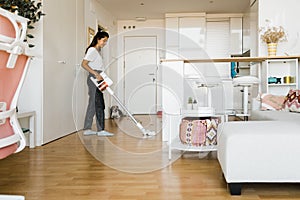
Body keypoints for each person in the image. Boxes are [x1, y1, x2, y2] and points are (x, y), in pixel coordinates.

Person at [81, 31, 113, 136]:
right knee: (98, 103)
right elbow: (84, 64)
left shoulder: (97, 51)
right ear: (98, 39)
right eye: (104, 40)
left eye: (106, 41)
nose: (105, 43)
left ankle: (87, 128)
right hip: (94, 78)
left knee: (94, 103)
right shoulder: (92, 50)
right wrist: (95, 74)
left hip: (98, 77)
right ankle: (100, 130)